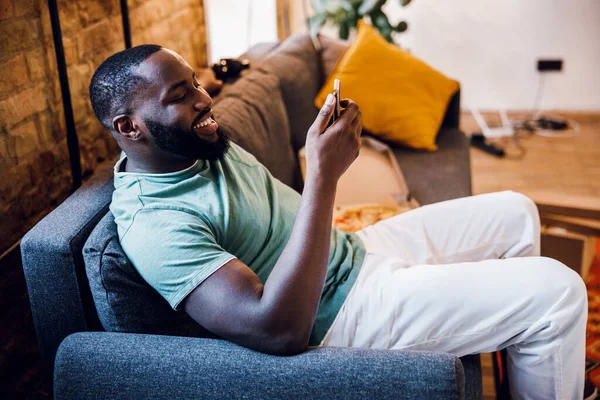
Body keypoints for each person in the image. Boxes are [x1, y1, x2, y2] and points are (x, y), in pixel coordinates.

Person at [89, 44, 589, 399]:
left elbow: (211, 90)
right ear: (129, 127)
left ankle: (528, 361)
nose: (203, 100)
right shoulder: (154, 223)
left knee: (515, 211)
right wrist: (325, 174)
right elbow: (276, 329)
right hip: (340, 314)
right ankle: (536, 336)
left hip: (351, 250)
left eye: (197, 83)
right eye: (180, 95)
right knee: (558, 292)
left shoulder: (192, 144)